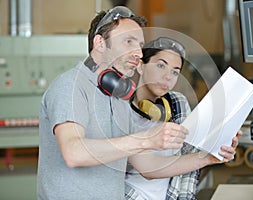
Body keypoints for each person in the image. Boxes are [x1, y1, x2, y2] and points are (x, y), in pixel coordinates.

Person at [37, 5, 238, 200]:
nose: (139, 53)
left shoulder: (118, 99)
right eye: (129, 42)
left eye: (140, 45)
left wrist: (209, 157)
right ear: (99, 43)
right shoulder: (71, 86)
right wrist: (146, 139)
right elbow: (74, 152)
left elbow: (148, 167)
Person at [124, 37, 242, 200]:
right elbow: (149, 169)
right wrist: (205, 158)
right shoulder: (121, 110)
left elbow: (188, 163)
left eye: (175, 71)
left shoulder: (178, 103)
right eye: (161, 65)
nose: (168, 76)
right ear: (140, 66)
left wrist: (216, 147)